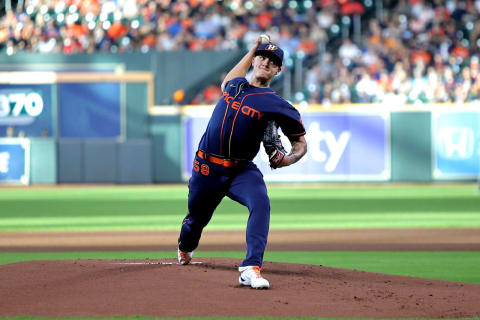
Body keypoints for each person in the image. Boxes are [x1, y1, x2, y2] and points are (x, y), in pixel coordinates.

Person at [177, 35, 307, 289]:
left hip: (241, 171)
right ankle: (185, 247)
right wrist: (251, 50)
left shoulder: (278, 105)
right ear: (255, 59)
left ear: (279, 69)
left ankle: (251, 267)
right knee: (196, 219)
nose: (265, 62)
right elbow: (228, 79)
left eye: (273, 61)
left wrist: (288, 159)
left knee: (261, 203)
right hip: (207, 168)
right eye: (262, 57)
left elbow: (301, 144)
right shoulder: (235, 86)